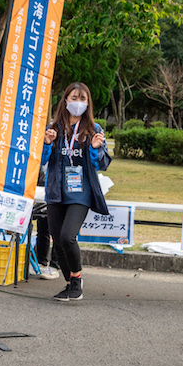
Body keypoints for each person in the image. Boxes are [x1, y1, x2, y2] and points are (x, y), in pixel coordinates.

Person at [42, 81, 110, 301]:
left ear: (88, 103)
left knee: (68, 236)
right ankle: (69, 283)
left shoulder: (94, 129)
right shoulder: (54, 127)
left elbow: (102, 164)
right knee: (57, 240)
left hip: (81, 192)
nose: (78, 103)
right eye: (74, 98)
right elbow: (40, 161)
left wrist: (95, 148)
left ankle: (77, 278)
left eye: (82, 99)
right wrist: (46, 143)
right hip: (56, 190)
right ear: (65, 100)